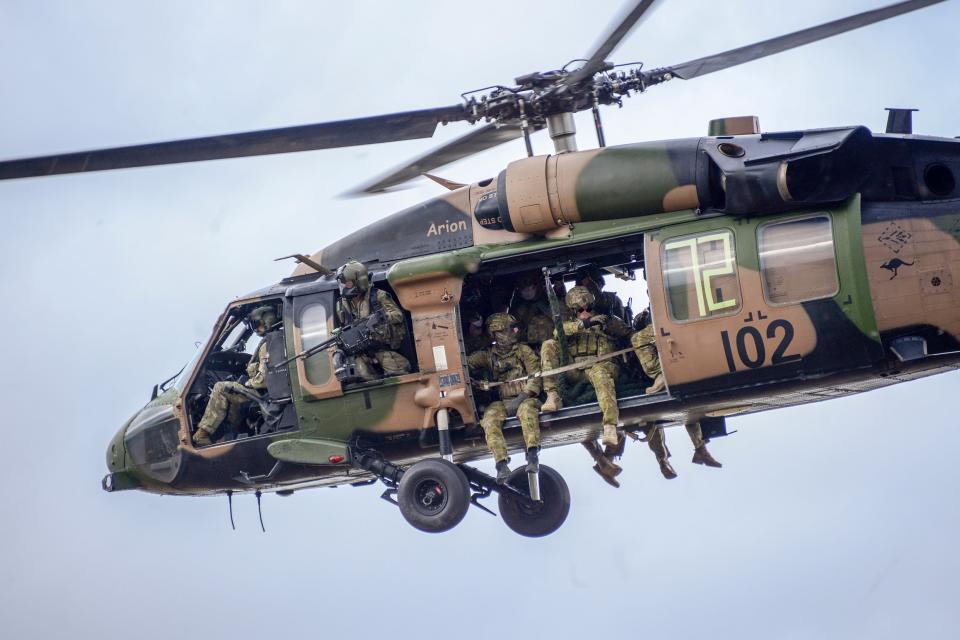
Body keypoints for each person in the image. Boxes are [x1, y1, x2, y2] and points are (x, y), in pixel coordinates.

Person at [630, 307, 722, 477]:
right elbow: (636, 336)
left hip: (674, 368)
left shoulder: (663, 314)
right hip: (650, 375)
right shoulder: (645, 323)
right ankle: (663, 461)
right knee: (652, 421)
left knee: (691, 408)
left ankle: (700, 450)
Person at [540, 286, 632, 448]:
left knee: (599, 373)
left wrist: (606, 325)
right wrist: (584, 324)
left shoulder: (608, 320)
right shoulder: (570, 326)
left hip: (603, 367)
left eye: (587, 308)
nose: (584, 312)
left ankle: (610, 425)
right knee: (549, 345)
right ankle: (553, 395)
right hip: (576, 371)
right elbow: (558, 333)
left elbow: (630, 334)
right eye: (578, 310)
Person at [466, 313, 542, 483]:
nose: (515, 332)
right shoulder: (488, 355)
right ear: (496, 334)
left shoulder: (524, 351)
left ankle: (532, 455)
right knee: (489, 420)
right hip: (503, 401)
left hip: (526, 398)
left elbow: (536, 377)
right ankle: (501, 465)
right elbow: (466, 363)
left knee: (527, 412)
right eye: (510, 329)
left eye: (515, 329)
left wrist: (521, 398)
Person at [193, 305, 275, 447]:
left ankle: (202, 434)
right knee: (234, 394)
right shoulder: (275, 339)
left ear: (267, 320)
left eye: (256, 324)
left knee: (221, 388)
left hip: (264, 393)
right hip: (270, 392)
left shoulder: (269, 344)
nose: (255, 329)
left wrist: (248, 384)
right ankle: (230, 437)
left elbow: (263, 380)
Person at [334, 259, 411, 381]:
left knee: (395, 367)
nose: (344, 287)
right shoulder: (342, 306)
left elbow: (397, 315)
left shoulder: (378, 296)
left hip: (383, 347)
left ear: (359, 282)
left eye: (348, 284)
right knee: (360, 371)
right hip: (362, 352)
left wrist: (380, 318)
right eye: (343, 284)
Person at [509, 270, 555, 350]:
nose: (528, 292)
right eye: (524, 290)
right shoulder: (520, 308)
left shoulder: (551, 301)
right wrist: (515, 332)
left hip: (552, 342)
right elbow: (515, 328)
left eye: (531, 288)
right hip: (529, 346)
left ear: (536, 287)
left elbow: (561, 320)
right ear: (519, 291)